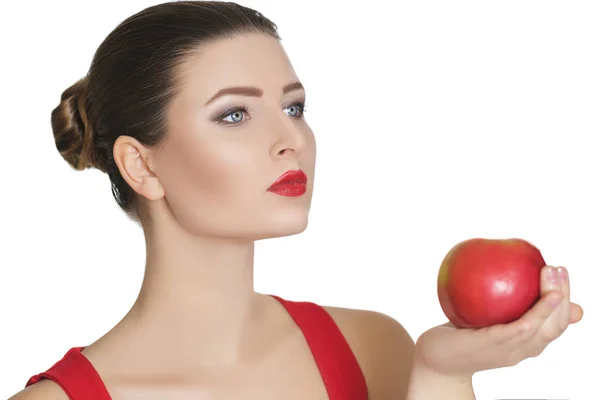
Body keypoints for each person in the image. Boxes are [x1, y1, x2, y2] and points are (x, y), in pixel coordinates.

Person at [9, 1, 584, 399]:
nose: (292, 140)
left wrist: (443, 375)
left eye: (294, 107)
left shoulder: (375, 349)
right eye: (234, 114)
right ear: (142, 164)